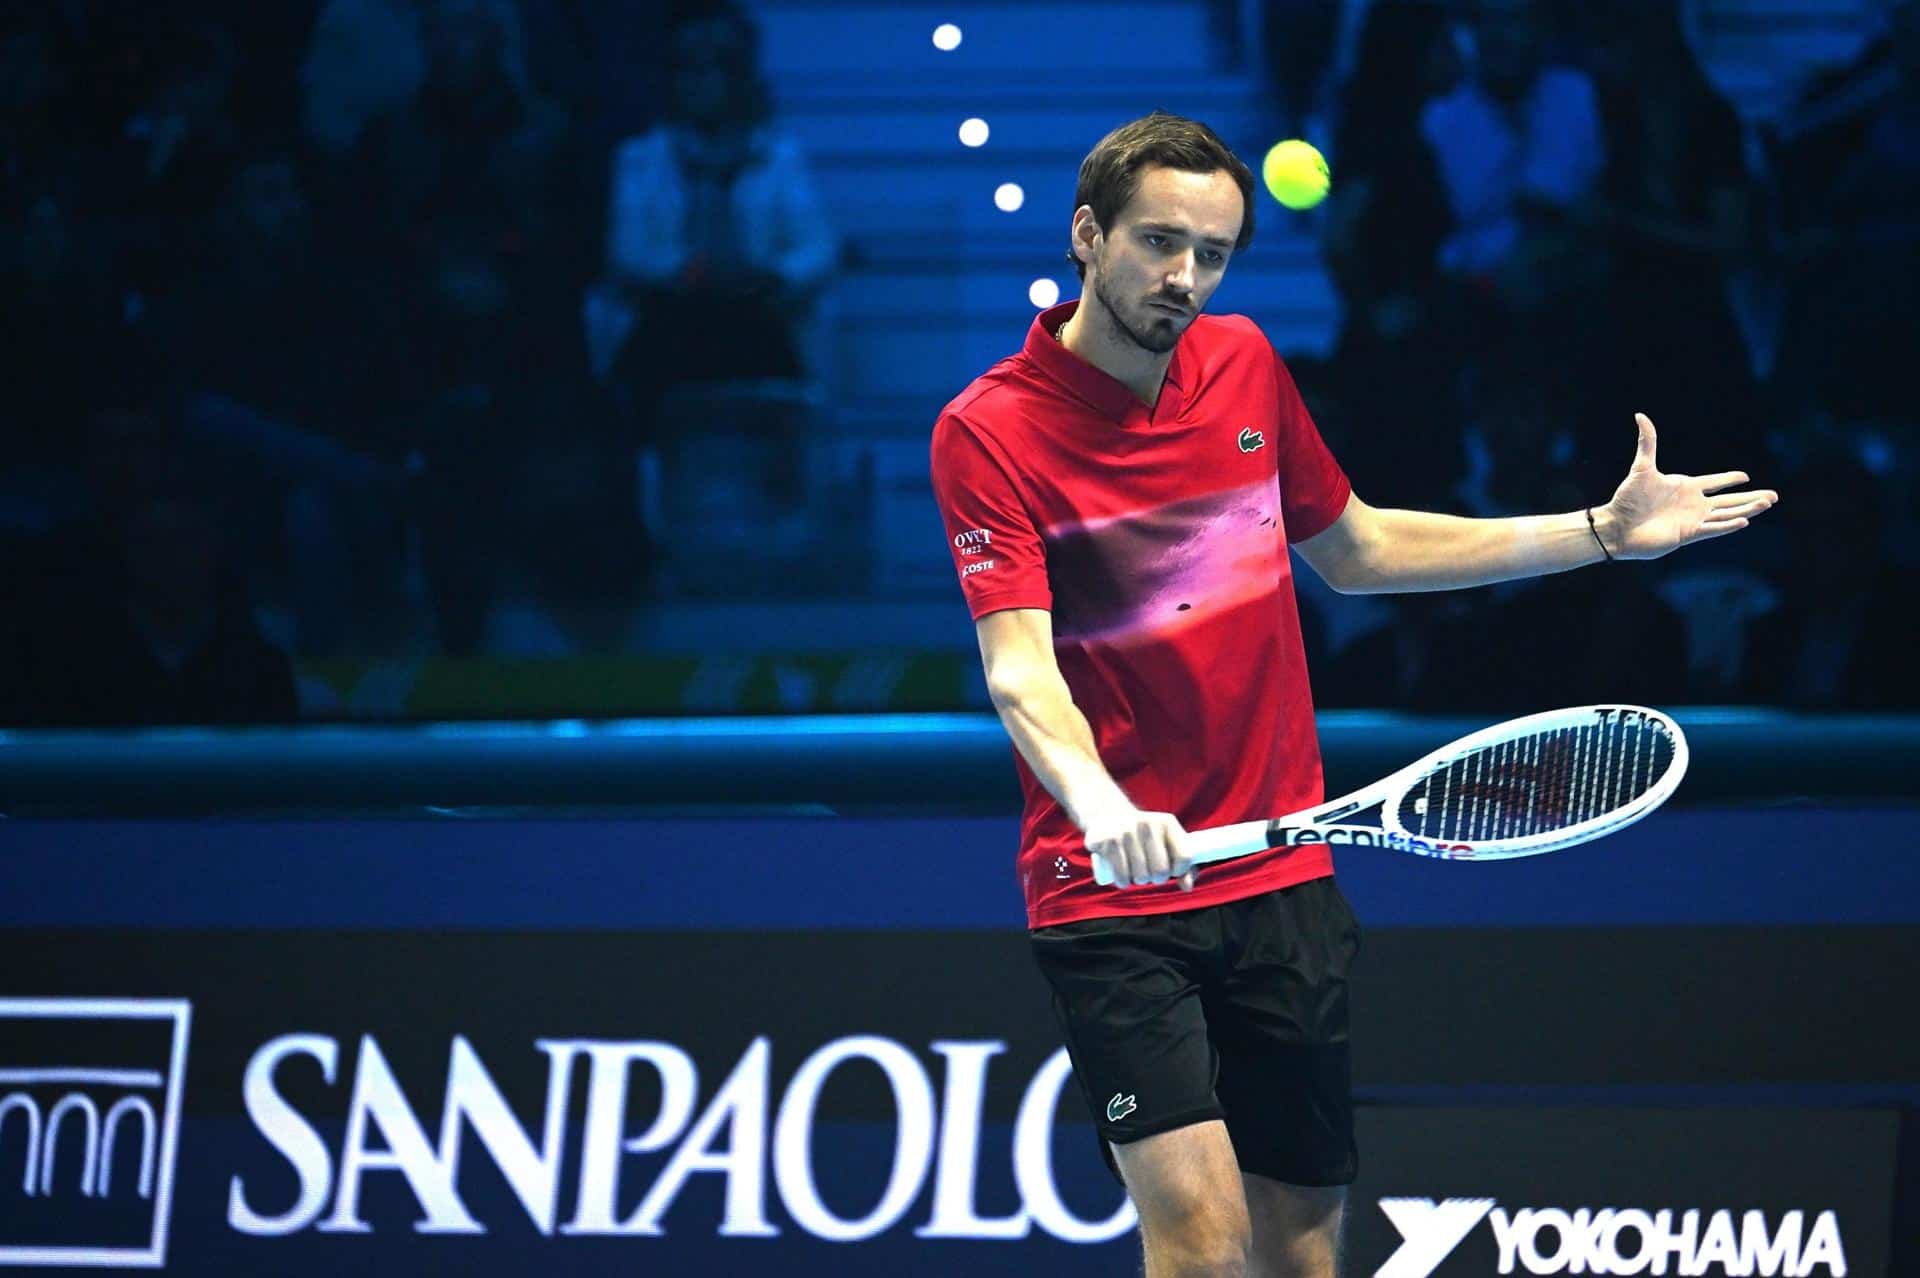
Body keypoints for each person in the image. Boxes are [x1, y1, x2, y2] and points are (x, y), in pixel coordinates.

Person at [927, 112, 1778, 1277]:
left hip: (1282, 874)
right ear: (1088, 234)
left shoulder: (1244, 366)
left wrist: (1598, 534)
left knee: (1305, 1250)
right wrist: (1100, 804)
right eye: (1158, 243)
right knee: (1202, 1241)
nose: (1184, 279)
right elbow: (1020, 666)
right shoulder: (991, 430)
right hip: (1115, 892)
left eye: (1213, 255)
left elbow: (1361, 549)